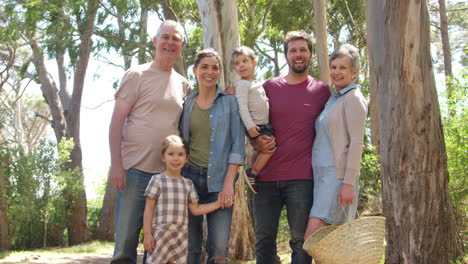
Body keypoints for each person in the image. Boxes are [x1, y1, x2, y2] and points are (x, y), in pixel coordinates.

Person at [109, 20, 190, 264]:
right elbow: (116, 123)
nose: (170, 43)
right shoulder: (136, 75)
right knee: (125, 243)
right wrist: (117, 165)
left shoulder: (183, 83)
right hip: (134, 170)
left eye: (175, 38)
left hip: (166, 175)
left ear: (181, 45)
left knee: (159, 245)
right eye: (165, 37)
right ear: (155, 41)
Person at [251, 30, 331, 264]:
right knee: (264, 240)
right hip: (265, 178)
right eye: (293, 50)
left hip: (302, 178)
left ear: (310, 55)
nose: (298, 54)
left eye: (303, 50)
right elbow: (252, 125)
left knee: (301, 242)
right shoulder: (268, 87)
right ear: (286, 55)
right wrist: (256, 142)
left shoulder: (322, 91)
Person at [179, 48, 245, 264]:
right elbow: (182, 141)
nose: (210, 72)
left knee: (219, 251)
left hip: (220, 180)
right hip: (189, 180)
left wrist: (228, 184)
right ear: (195, 70)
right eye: (204, 67)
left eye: (215, 68)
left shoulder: (230, 102)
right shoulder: (187, 103)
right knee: (192, 248)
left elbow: (237, 145)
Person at [304, 44, 368, 245]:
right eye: (333, 67)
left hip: (337, 179)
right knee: (329, 244)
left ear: (354, 72)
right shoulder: (334, 99)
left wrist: (348, 183)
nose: (336, 72)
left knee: (313, 239)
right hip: (322, 179)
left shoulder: (354, 99)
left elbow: (357, 143)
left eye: (342, 68)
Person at [143, 135, 222, 264]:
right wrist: (147, 234)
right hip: (160, 235)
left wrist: (218, 203)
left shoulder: (188, 184)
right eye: (171, 154)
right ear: (163, 157)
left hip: (180, 236)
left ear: (186, 159)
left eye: (180, 154)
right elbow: (149, 209)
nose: (175, 158)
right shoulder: (157, 180)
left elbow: (195, 210)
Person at [231, 46, 275, 190]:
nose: (241, 65)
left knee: (259, 150)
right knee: (270, 149)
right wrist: (249, 126)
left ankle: (252, 171)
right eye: (237, 63)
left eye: (244, 61)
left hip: (263, 124)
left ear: (254, 63)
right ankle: (253, 172)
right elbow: (242, 106)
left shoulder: (256, 83)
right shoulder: (242, 84)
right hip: (256, 125)